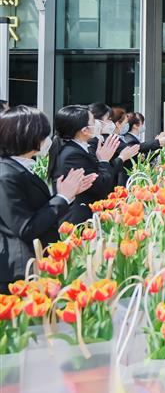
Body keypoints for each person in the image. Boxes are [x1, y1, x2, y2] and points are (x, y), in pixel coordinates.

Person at [0, 106, 96, 292]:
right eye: (43, 135)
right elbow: (26, 227)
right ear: (27, 136)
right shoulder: (7, 175)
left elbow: (35, 209)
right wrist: (62, 197)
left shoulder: (18, 168)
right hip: (18, 271)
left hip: (33, 261)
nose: (47, 141)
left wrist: (67, 195)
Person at [48, 105, 131, 208]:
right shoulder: (73, 154)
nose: (98, 124)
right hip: (78, 215)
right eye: (93, 122)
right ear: (85, 130)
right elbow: (100, 186)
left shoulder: (77, 148)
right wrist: (104, 160)